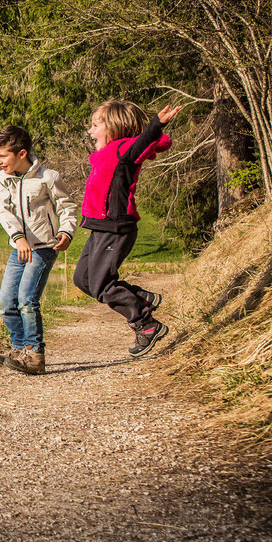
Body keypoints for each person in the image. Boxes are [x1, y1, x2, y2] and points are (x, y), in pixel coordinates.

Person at [74, 101, 182, 356]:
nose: (90, 132)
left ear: (114, 127)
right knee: (83, 280)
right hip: (100, 228)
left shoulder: (124, 150)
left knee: (100, 285)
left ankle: (145, 324)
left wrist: (157, 124)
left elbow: (144, 142)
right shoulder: (105, 155)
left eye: (96, 125)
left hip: (116, 227)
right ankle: (141, 298)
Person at [0, 125, 78, 375]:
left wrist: (67, 231)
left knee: (27, 300)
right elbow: (3, 210)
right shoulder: (2, 180)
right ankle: (18, 349)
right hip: (19, 249)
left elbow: (67, 207)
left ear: (22, 153)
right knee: (6, 301)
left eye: (3, 156)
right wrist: (17, 237)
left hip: (44, 247)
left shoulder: (48, 177)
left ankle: (35, 354)